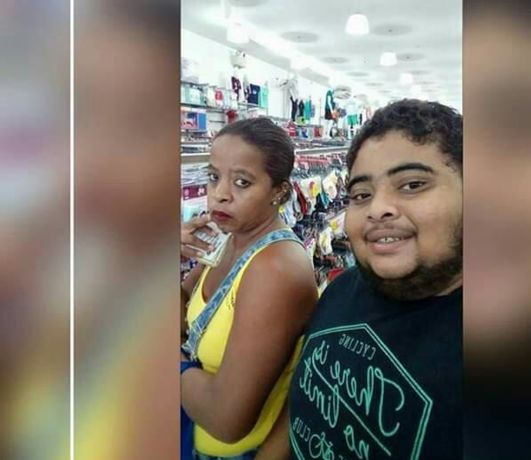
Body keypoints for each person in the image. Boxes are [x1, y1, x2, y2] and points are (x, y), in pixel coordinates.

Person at [257, 99, 463, 460]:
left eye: (412, 184)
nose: (377, 209)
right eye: (361, 195)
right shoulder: (341, 289)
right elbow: (304, 403)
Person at [180, 117, 318, 460]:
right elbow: (182, 298)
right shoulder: (229, 239)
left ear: (279, 192)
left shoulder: (275, 269)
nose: (220, 194)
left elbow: (226, 420)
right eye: (214, 177)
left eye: (242, 182)